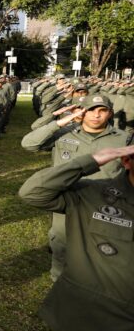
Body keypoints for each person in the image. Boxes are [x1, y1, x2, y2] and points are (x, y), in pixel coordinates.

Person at [18, 144, 134, 331]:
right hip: (101, 321)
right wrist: (92, 160)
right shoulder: (93, 194)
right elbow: (32, 193)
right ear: (127, 160)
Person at [21, 94, 128, 282]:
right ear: (81, 112)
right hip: (68, 201)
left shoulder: (124, 139)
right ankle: (59, 285)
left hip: (104, 203)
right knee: (61, 247)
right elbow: (29, 144)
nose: (96, 115)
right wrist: (62, 121)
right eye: (91, 110)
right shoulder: (65, 134)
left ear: (110, 113)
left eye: (102, 110)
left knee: (103, 252)